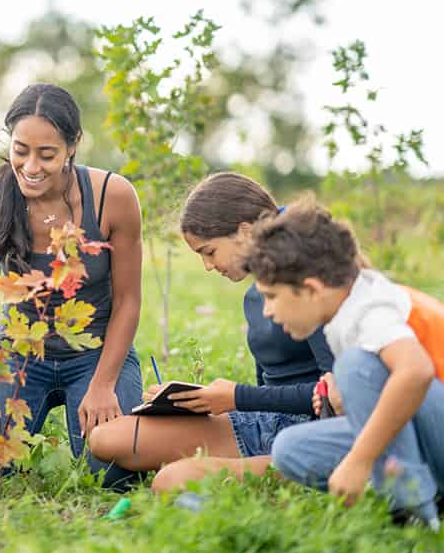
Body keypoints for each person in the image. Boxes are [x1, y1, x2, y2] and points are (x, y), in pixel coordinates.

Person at [0, 83, 144, 487]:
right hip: (18, 353)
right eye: (21, 151)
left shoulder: (114, 197)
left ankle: (92, 408)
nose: (31, 166)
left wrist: (104, 385)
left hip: (95, 353)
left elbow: (127, 301)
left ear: (73, 145)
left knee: (113, 473)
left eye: (47, 154)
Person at [88, 173, 335, 493]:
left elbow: (339, 395)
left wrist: (234, 397)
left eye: (209, 251)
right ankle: (255, 465)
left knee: (171, 481)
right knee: (107, 438)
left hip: (313, 433)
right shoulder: (259, 293)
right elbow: (271, 383)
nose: (208, 266)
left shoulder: (306, 281)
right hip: (267, 420)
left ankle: (288, 474)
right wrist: (204, 400)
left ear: (245, 232)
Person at [245, 201, 444, 529]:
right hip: (425, 429)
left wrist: (359, 459)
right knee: (290, 448)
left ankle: (413, 511)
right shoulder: (344, 310)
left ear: (310, 289)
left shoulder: (371, 308)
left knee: (355, 367)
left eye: (272, 296)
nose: (266, 311)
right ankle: (414, 493)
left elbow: (416, 370)